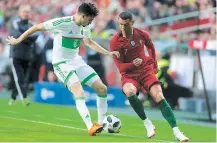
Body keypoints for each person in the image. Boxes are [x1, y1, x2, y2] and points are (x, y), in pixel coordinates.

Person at [6, 2, 119, 136]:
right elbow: (36, 27)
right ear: (83, 16)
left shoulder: (85, 26)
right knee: (79, 91)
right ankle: (90, 126)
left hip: (77, 61)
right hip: (61, 64)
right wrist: (18, 40)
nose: (91, 22)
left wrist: (108, 53)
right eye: (90, 19)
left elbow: (89, 42)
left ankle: (100, 123)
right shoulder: (62, 22)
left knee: (102, 88)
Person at [110, 11, 189, 142]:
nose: (123, 28)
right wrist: (132, 64)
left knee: (159, 96)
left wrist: (154, 64)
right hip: (129, 74)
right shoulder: (115, 42)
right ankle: (147, 123)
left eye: (126, 25)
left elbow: (151, 47)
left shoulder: (142, 34)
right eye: (121, 24)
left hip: (145, 71)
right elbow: (120, 66)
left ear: (133, 23)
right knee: (129, 92)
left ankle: (177, 132)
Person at [8, 5, 38, 106]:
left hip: (27, 56)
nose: (26, 14)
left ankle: (13, 97)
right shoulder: (15, 23)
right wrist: (27, 36)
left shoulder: (32, 25)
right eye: (24, 11)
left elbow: (35, 37)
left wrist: (21, 38)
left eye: (27, 12)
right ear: (20, 13)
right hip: (16, 55)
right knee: (19, 78)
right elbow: (15, 34)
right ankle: (25, 98)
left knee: (22, 79)